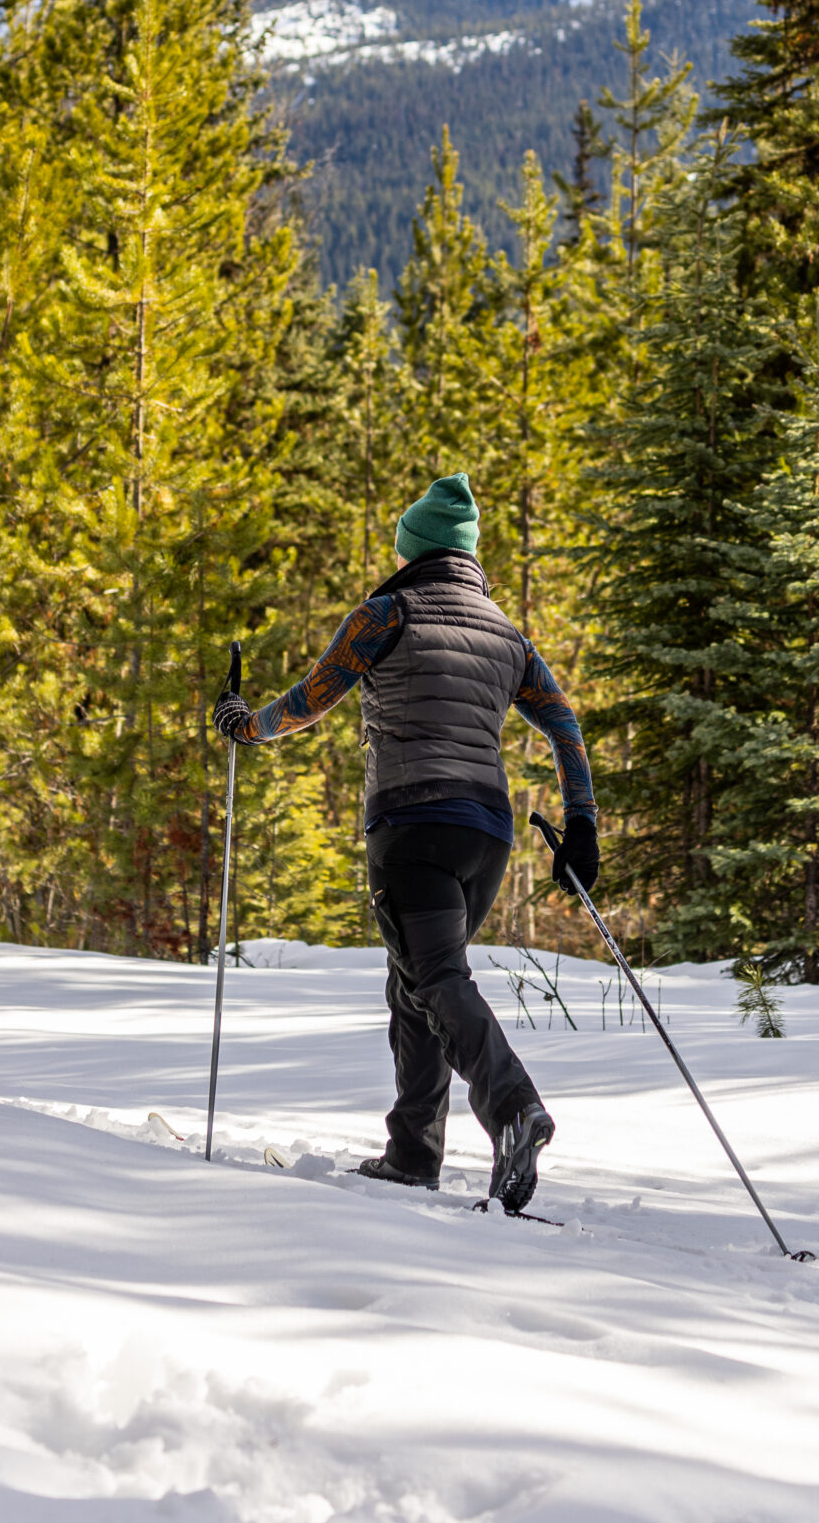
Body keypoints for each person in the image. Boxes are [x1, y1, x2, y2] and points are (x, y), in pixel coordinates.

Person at [213, 470, 599, 1215]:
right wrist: (581, 823)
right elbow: (565, 725)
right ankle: (413, 1153)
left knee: (434, 981)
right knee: (413, 982)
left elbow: (310, 699)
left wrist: (242, 723)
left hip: (412, 826)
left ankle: (515, 1107)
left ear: (414, 550)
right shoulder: (508, 638)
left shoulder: (387, 613)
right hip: (486, 837)